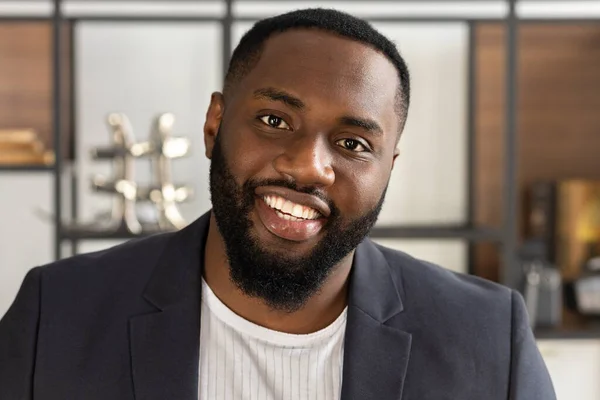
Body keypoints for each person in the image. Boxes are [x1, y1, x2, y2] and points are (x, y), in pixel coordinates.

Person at [0, 8, 555, 400]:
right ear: (215, 124)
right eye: (274, 120)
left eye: (354, 144)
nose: (308, 165)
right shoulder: (58, 314)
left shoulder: (486, 337)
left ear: (389, 169)